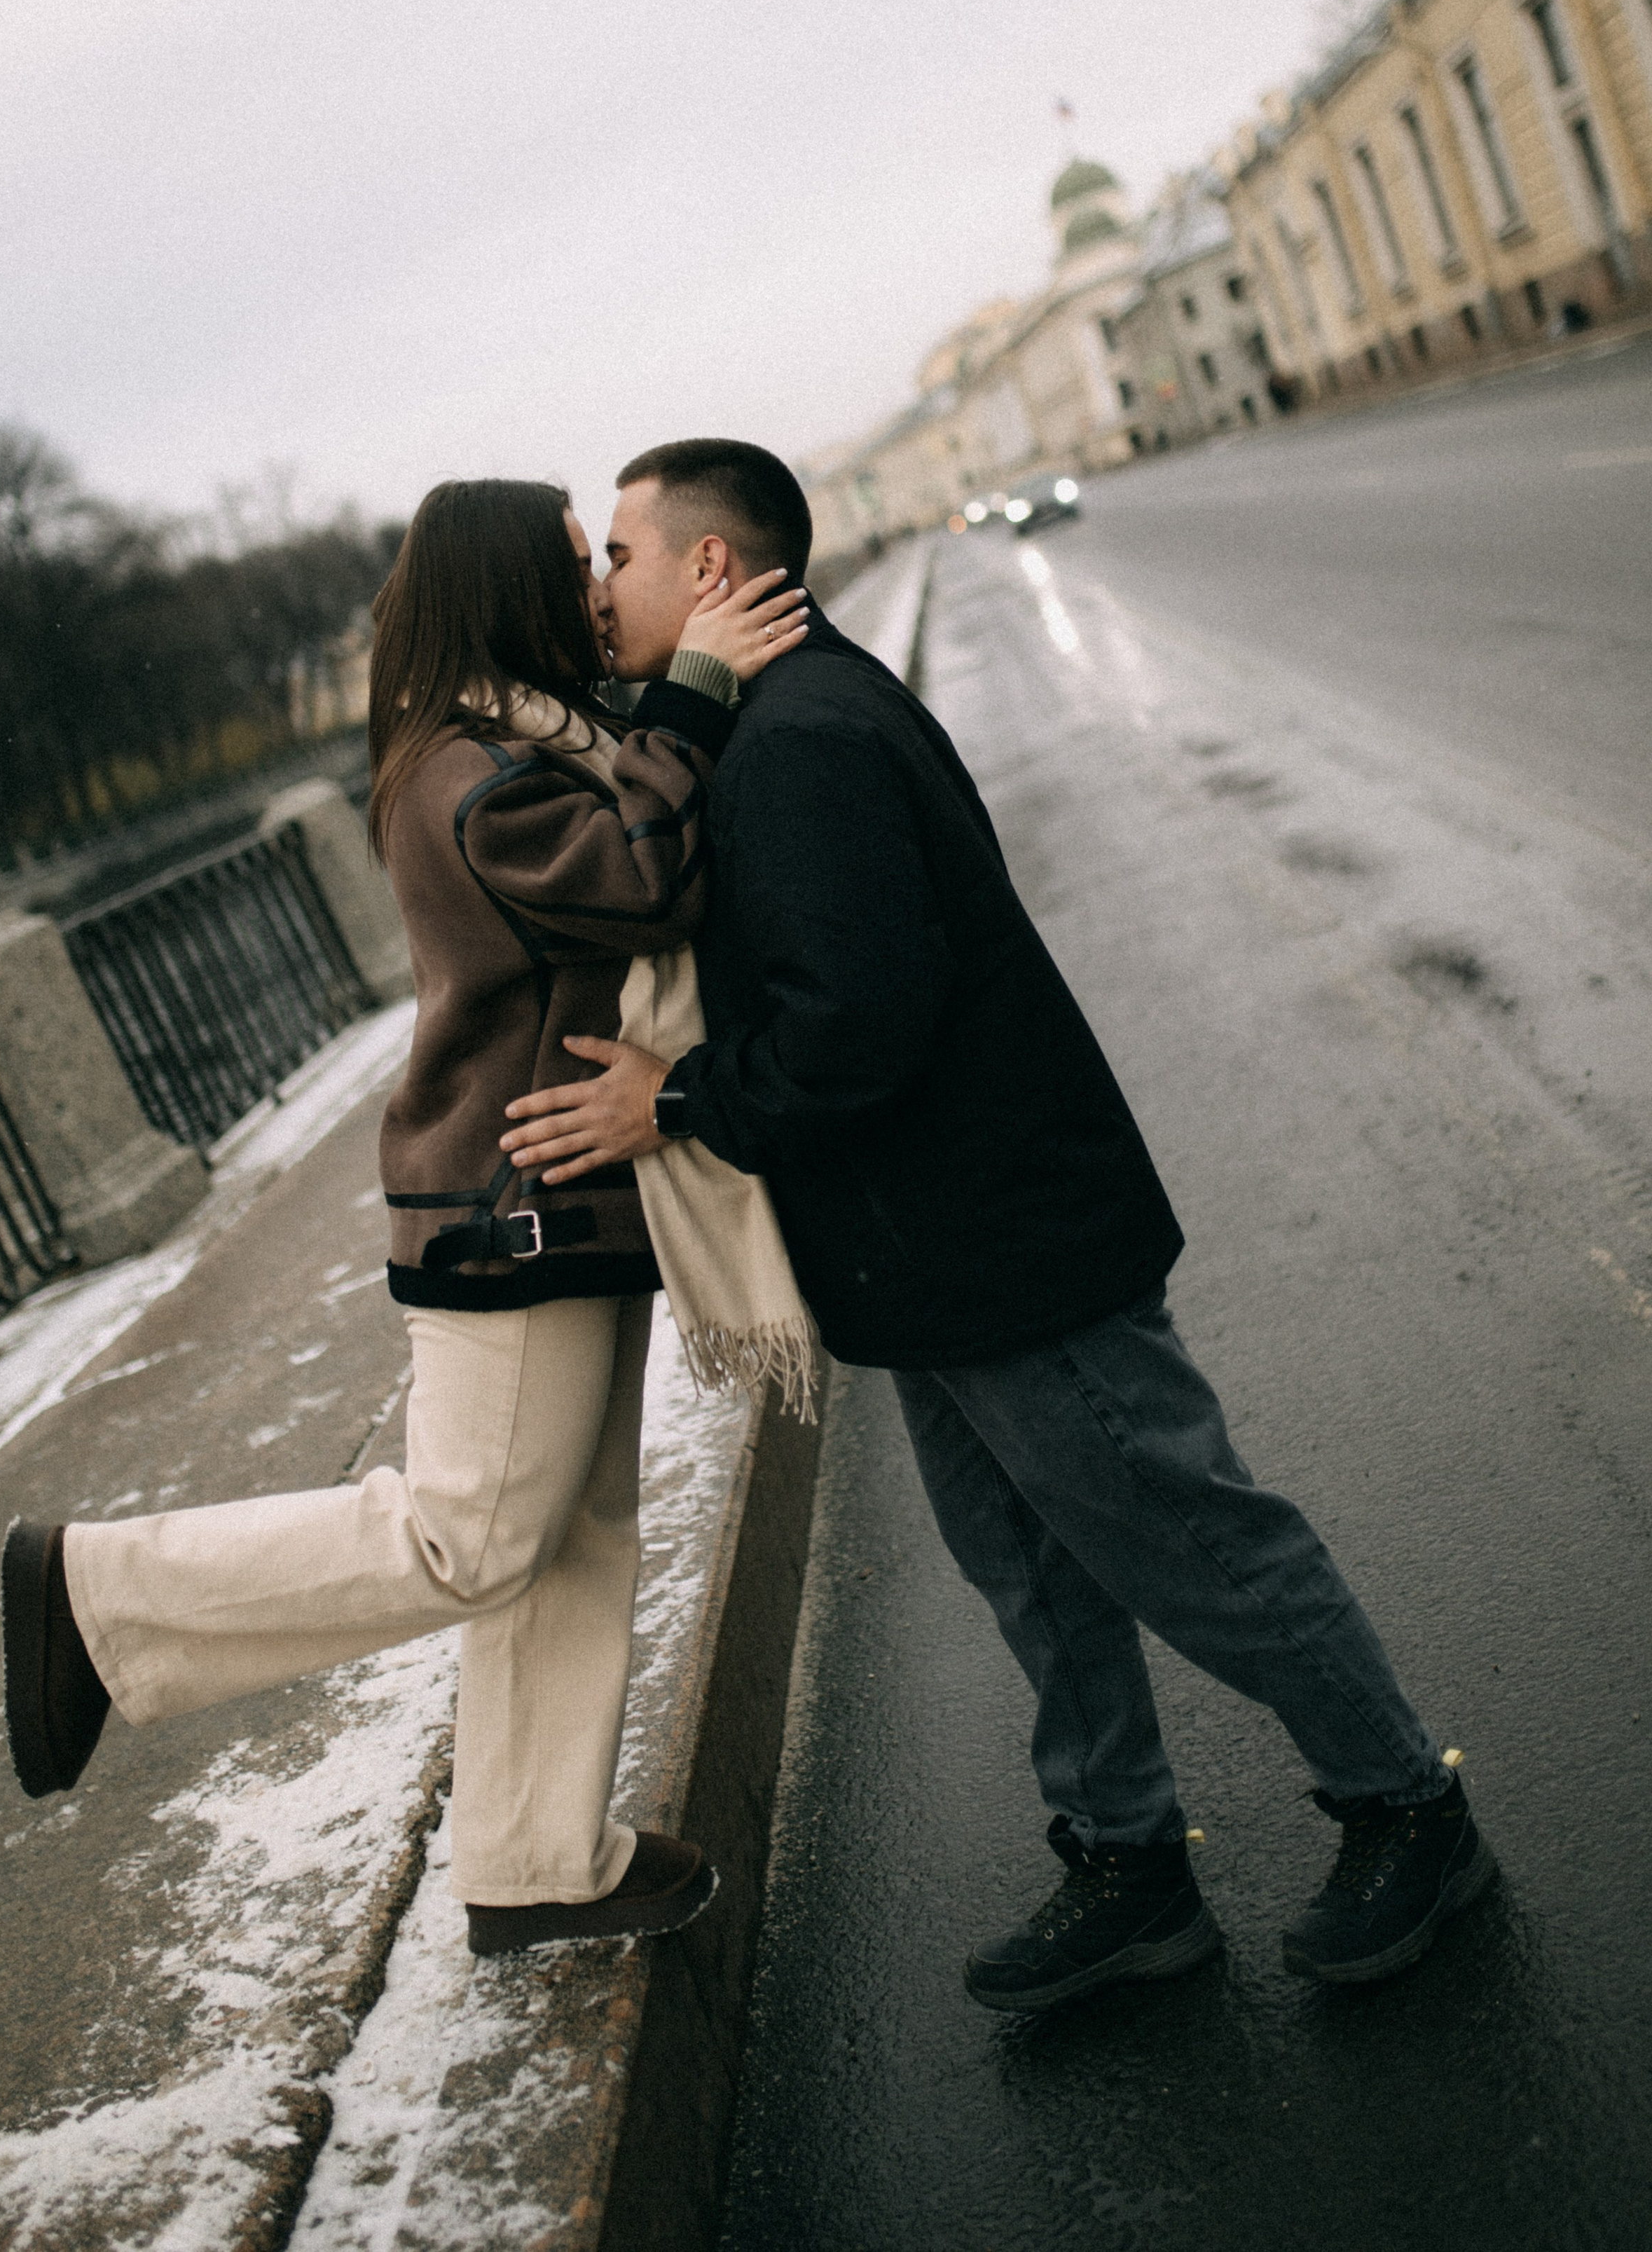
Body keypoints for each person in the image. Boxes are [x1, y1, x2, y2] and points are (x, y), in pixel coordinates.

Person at [500, 438, 1497, 2007]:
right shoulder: (768, 714)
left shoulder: (801, 742)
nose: (599, 589)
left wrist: (671, 1102)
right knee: (1034, 1568)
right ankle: (1127, 1859)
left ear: (707, 569)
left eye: (617, 556)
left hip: (1005, 1240)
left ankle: (1406, 1807)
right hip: (932, 1251)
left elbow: (859, 1026)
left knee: (1192, 1536)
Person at [0, 476, 806, 1958]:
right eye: (569, 567)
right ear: (502, 583)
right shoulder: (463, 769)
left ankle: (535, 1855)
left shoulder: (520, 740)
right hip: (506, 1205)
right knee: (469, 1535)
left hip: (565, 1192)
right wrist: (694, 689)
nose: (586, 591)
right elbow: (633, 883)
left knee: (574, 1531)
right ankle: (98, 1593)